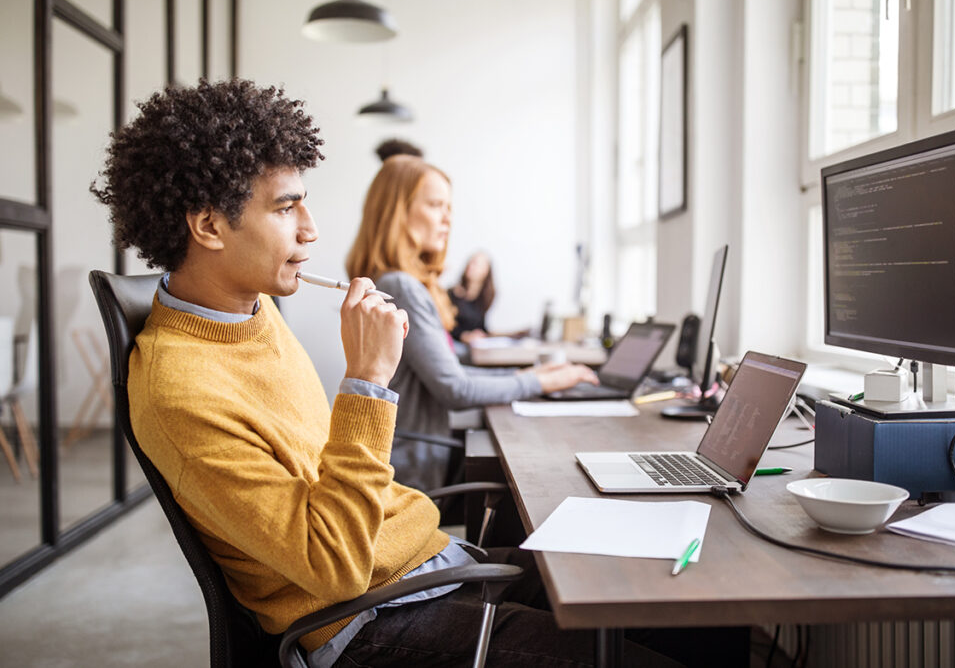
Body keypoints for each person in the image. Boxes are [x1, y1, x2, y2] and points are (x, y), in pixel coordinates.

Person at [90, 79, 683, 668]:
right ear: (209, 226)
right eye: (285, 206)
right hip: (368, 619)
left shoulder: (250, 308)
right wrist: (367, 381)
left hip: (422, 562)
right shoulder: (179, 388)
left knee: (673, 599)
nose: (310, 229)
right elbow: (335, 567)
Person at [346, 155, 599, 491]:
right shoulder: (401, 286)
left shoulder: (394, 282)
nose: (447, 219)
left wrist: (527, 376)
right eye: (436, 205)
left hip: (414, 458)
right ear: (397, 212)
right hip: (410, 471)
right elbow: (455, 388)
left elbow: (449, 372)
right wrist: (538, 383)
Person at [448, 250, 495, 344]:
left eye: (476, 264)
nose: (471, 266)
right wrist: (464, 336)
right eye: (470, 262)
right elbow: (446, 326)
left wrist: (514, 334)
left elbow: (482, 329)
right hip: (455, 342)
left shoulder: (484, 298)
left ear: (486, 271)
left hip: (475, 344)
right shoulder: (452, 293)